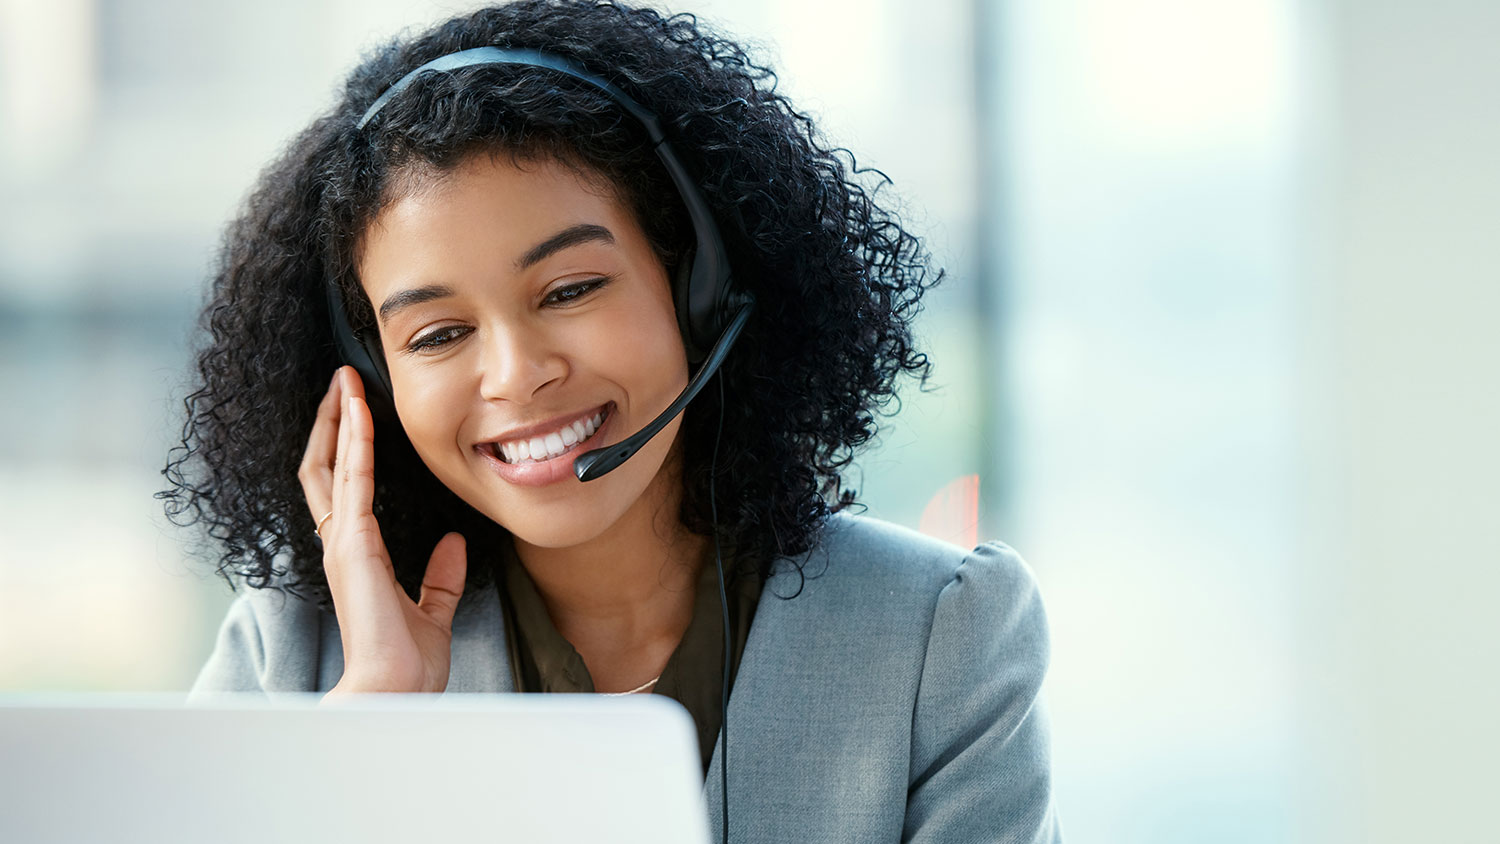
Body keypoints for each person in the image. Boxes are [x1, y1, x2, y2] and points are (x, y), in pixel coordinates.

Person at [162, 1, 1062, 841]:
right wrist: (373, 723)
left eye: (571, 289)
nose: (517, 375)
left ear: (697, 288)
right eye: (438, 334)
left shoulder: (936, 634)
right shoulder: (294, 655)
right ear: (372, 377)